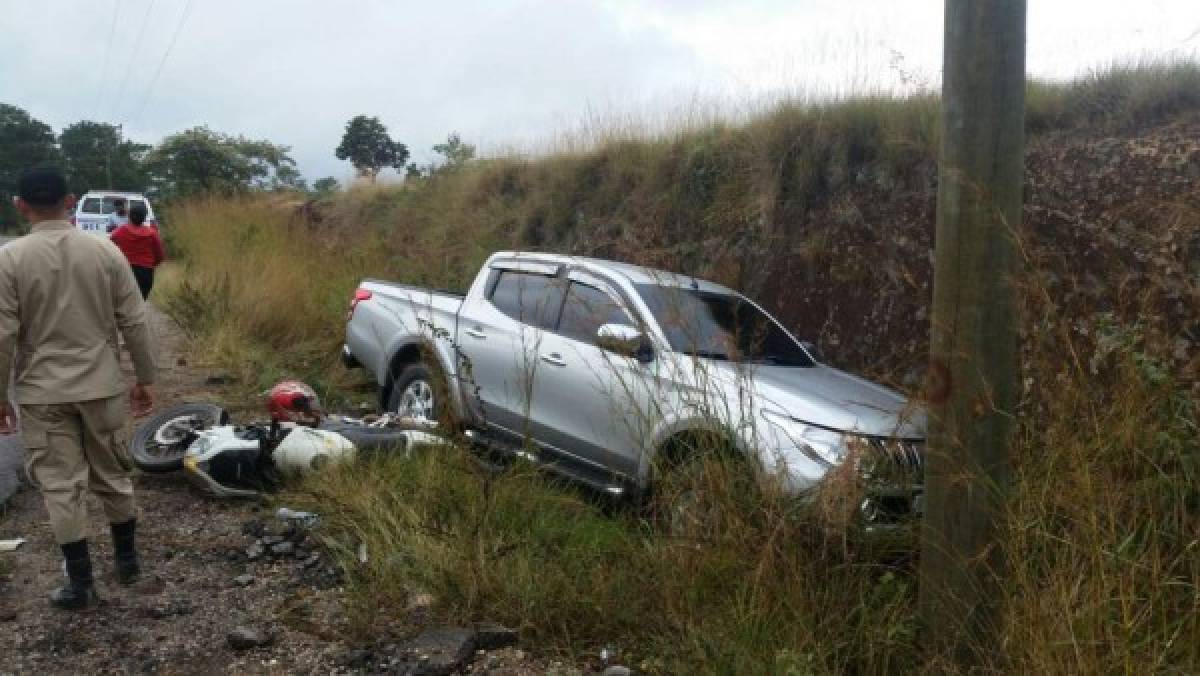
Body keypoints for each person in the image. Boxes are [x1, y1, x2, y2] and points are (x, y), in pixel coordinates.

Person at [0, 167, 156, 610]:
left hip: (42, 393)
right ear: (70, 202)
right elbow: (135, 319)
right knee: (113, 473)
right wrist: (143, 378)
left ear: (20, 205)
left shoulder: (10, 259)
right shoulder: (106, 252)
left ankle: (80, 584)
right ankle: (128, 563)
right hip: (102, 385)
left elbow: (3, 335)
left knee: (60, 485)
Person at [109, 203, 166, 299]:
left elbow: (109, 247)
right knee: (140, 302)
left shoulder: (120, 231)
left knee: (122, 301)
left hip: (125, 270)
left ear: (129, 216)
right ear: (144, 218)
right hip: (145, 273)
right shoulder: (152, 233)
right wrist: (150, 265)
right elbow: (160, 256)